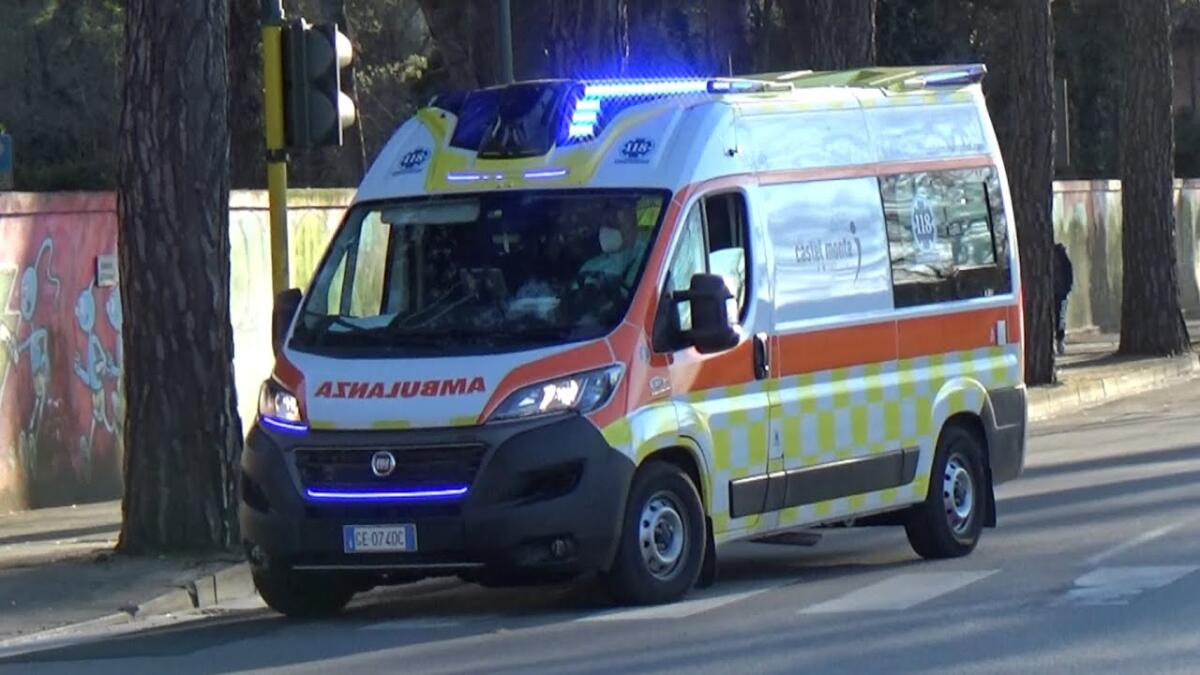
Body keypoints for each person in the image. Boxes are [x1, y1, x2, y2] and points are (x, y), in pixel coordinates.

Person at [1052, 242, 1074, 355]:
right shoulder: (1055, 255)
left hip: (1061, 292)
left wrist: (1067, 287)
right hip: (1054, 293)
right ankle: (1055, 343)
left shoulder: (1060, 254)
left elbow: (1068, 272)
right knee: (1055, 318)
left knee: (1060, 318)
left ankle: (1060, 341)